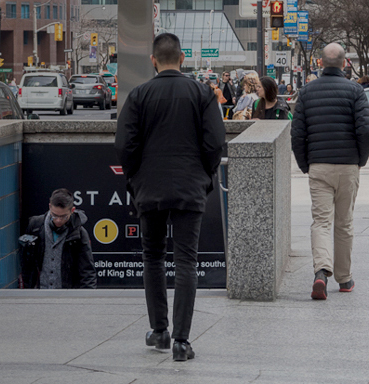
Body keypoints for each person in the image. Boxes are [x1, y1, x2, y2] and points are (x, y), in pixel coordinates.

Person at [115, 33, 226, 361]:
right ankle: (182, 341)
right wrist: (204, 175)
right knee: (186, 261)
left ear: (153, 60)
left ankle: (160, 330)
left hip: (149, 187)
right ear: (182, 58)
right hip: (190, 186)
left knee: (152, 257)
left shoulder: (139, 95)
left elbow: (125, 145)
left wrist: (136, 178)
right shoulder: (202, 93)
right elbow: (214, 142)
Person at [291, 42, 369, 300]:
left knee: (321, 221)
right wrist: (361, 159)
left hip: (319, 166)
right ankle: (344, 277)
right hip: (348, 165)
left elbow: (297, 134)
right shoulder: (356, 91)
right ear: (343, 63)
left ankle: (321, 272)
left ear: (321, 63)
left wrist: (306, 164)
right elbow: (366, 130)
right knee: (344, 222)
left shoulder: (306, 92)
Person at [19, 188, 97, 289]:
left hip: (67, 295)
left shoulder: (79, 233)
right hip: (38, 293)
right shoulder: (35, 226)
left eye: (64, 216)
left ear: (72, 211)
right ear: (50, 207)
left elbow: (87, 272)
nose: (58, 220)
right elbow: (26, 264)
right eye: (54, 216)